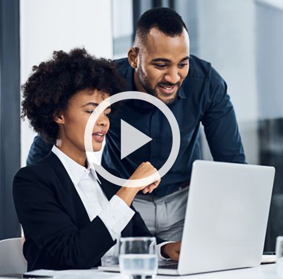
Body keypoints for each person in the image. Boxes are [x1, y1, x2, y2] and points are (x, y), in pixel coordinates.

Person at [26, 7, 246, 242]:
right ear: (134, 58)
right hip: (122, 201)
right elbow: (52, 138)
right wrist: (36, 214)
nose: (173, 77)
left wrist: (234, 226)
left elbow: (232, 163)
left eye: (182, 64)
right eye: (161, 65)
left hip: (184, 204)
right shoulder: (105, 82)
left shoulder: (206, 83)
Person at [13, 48, 181, 271]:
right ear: (59, 115)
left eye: (107, 112)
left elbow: (139, 242)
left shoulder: (108, 180)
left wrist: (167, 250)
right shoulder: (32, 182)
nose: (103, 122)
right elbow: (74, 255)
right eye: (92, 111)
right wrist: (129, 189)